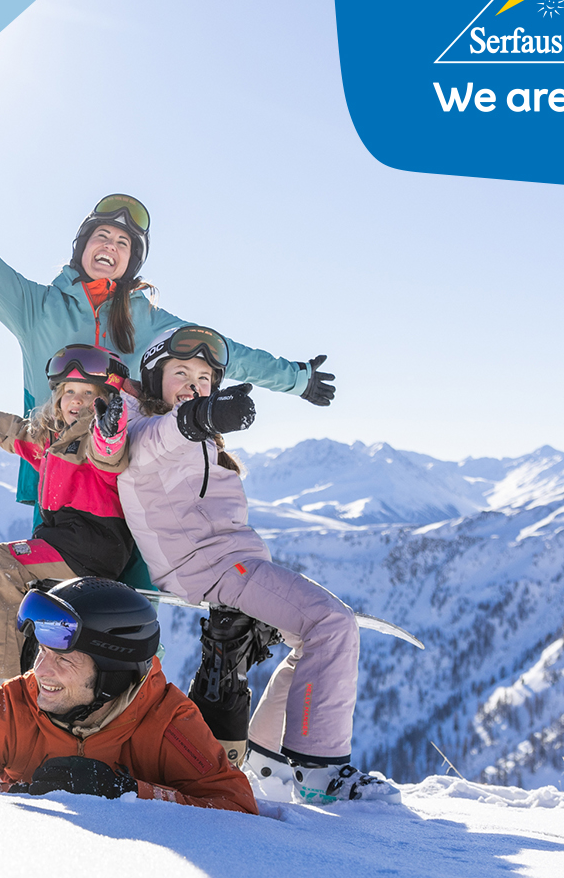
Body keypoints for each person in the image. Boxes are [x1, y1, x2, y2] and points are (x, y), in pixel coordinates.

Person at [0, 140, 336, 521]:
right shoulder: (34, 308)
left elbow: (223, 352)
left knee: (128, 624)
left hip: (133, 485)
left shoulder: (148, 322)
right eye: (101, 236)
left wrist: (297, 379)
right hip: (59, 477)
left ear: (132, 262)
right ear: (83, 247)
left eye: (123, 243)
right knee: (53, 620)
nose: (110, 246)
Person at [116, 324, 401, 804]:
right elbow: (166, 435)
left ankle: (269, 761)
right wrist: (201, 414)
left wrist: (204, 417)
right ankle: (320, 777)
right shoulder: (143, 429)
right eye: (180, 372)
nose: (193, 382)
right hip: (210, 568)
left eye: (205, 378)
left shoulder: (192, 435)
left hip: (229, 563)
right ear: (152, 379)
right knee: (332, 623)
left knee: (311, 638)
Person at [0, 577, 258, 815]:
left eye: (63, 659)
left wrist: (128, 792)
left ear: (112, 671)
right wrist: (23, 795)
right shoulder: (17, 704)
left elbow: (236, 809)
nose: (41, 672)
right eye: (42, 653)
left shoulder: (167, 721)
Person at [0, 344, 139, 706]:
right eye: (69, 392)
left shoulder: (94, 437)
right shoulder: (50, 439)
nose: (76, 401)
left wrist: (110, 431)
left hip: (92, 543)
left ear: (103, 398)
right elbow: (14, 433)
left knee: (1, 564)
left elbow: (109, 454)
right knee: (33, 612)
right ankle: (22, 682)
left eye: (87, 393)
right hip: (65, 543)